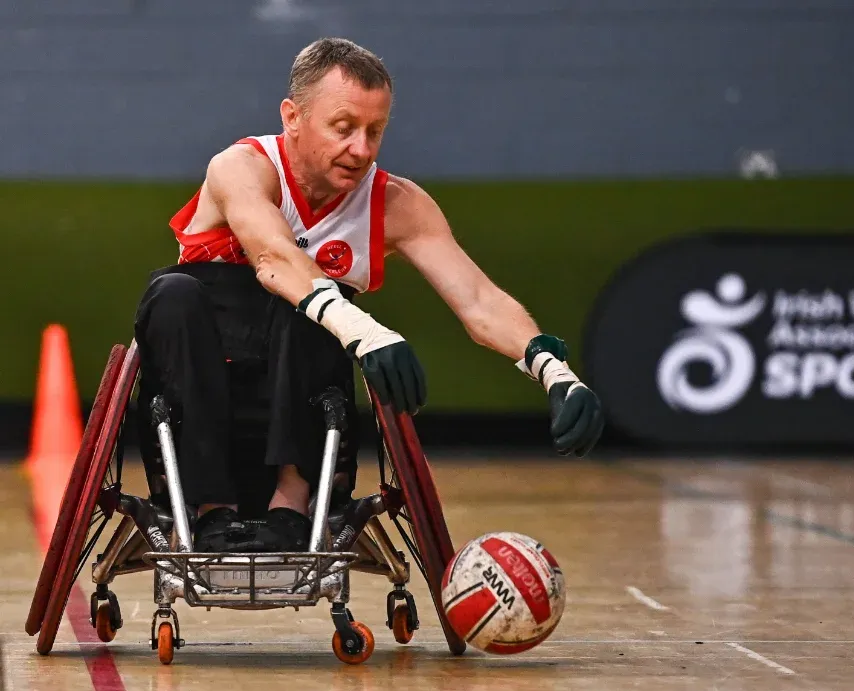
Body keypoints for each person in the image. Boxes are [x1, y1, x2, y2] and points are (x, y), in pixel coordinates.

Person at [134, 37, 604, 554]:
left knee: (312, 308)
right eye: (343, 129)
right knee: (175, 293)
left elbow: (478, 300)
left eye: (374, 132)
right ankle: (206, 509)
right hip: (199, 399)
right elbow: (273, 259)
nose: (361, 149)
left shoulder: (398, 204)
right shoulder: (241, 168)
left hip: (303, 408)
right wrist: (365, 331)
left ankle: (293, 503)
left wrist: (551, 370)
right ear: (293, 117)